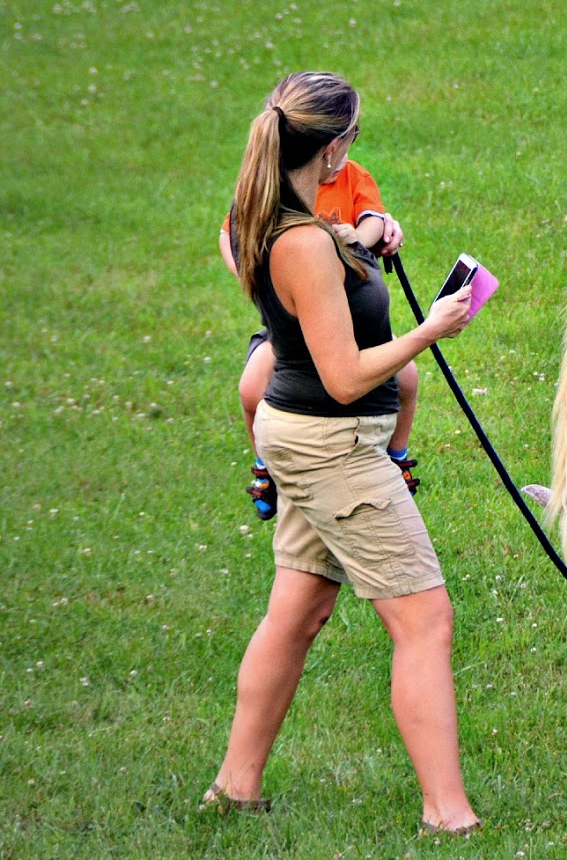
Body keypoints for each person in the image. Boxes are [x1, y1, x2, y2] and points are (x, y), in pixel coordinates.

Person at [203, 71, 480, 836]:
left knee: (297, 610)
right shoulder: (300, 244)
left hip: (306, 438)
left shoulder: (285, 224)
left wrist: (363, 240)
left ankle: (234, 789)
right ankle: (449, 816)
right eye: (352, 139)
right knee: (425, 620)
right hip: (336, 448)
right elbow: (346, 375)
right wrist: (432, 329)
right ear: (332, 149)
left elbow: (331, 271)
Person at [221, 152, 420, 521]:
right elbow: (229, 233)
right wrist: (253, 277)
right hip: (294, 326)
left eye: (351, 139)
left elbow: (374, 219)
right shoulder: (279, 187)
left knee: (407, 376)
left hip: (355, 321)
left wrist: (358, 239)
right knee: (251, 389)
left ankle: (397, 456)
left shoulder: (353, 176)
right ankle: (265, 467)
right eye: (340, 140)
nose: (341, 155)